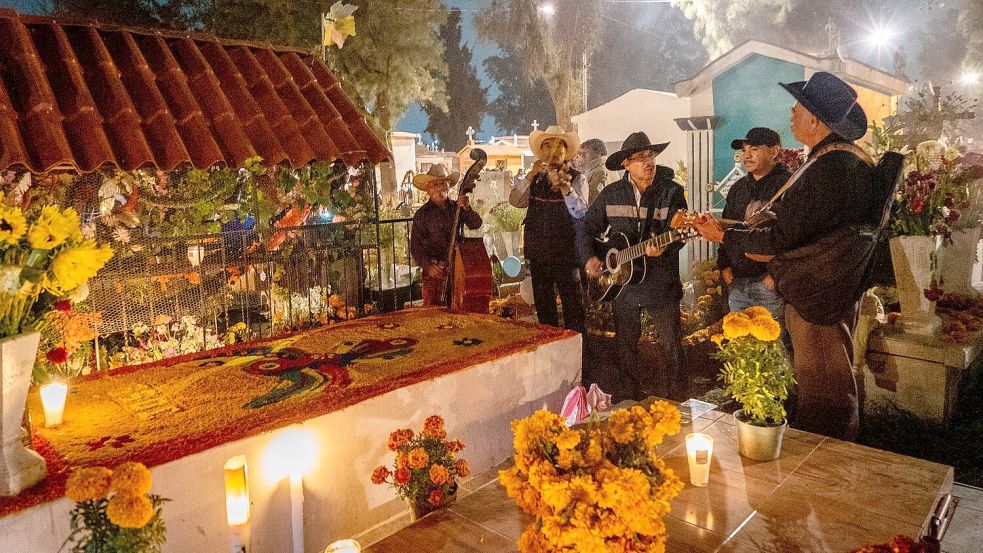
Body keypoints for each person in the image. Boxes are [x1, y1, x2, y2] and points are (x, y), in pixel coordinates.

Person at [692, 71, 873, 441]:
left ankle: (827, 466)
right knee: (818, 383)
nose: (791, 113)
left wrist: (723, 235)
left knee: (823, 390)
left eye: (798, 107)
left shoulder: (830, 169)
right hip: (823, 292)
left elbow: (781, 238)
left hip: (817, 299)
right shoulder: (837, 161)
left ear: (815, 120)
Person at [576, 132, 687, 401]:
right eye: (640, 158)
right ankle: (631, 397)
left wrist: (665, 247)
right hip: (623, 285)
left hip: (661, 283)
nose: (648, 162)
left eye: (651, 156)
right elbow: (585, 227)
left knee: (671, 344)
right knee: (625, 345)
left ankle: (678, 399)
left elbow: (680, 232)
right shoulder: (611, 194)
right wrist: (590, 257)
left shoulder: (671, 191)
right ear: (626, 164)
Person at [509, 125, 588, 333]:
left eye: (558, 146)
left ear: (565, 152)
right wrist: (529, 176)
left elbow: (581, 213)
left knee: (574, 313)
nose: (552, 151)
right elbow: (515, 201)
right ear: (540, 152)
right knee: (545, 315)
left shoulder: (578, 178)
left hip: (566, 256)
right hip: (539, 256)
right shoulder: (535, 178)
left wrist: (565, 188)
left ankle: (580, 361)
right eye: (546, 145)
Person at [718, 128, 790, 328]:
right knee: (741, 348)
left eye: (754, 149)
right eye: (744, 150)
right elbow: (726, 227)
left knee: (775, 348)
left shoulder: (789, 185)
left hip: (770, 284)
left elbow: (793, 236)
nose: (746, 156)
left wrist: (775, 274)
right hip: (737, 282)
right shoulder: (738, 188)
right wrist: (724, 265)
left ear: (774, 152)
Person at [410, 165, 482, 306]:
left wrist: (467, 208)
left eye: (442, 183)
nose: (439, 188)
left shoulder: (457, 207)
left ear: (449, 186)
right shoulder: (422, 214)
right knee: (433, 314)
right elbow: (415, 246)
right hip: (434, 273)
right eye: (434, 184)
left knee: (459, 311)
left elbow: (476, 224)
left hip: (458, 269)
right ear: (427, 190)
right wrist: (428, 266)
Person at [574, 138, 608, 204]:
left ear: (598, 154)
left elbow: (592, 199)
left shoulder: (599, 172)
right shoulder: (595, 169)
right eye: (581, 153)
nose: (581, 156)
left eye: (586, 152)